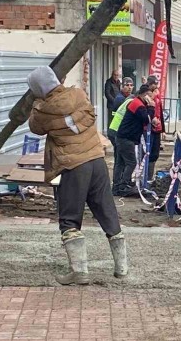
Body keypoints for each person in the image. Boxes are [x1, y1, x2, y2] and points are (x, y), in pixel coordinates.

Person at [27, 66, 126, 284]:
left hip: (72, 166)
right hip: (96, 160)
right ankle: (122, 268)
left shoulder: (43, 110)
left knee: (70, 219)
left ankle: (80, 272)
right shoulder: (79, 94)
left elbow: (35, 128)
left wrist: (35, 104)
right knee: (107, 211)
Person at [114, 84, 155, 196]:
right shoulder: (138, 105)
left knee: (120, 163)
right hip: (126, 138)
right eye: (150, 96)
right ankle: (123, 185)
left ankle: (117, 186)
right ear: (145, 95)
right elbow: (147, 119)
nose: (151, 99)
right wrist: (151, 107)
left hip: (122, 136)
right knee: (131, 162)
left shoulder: (137, 103)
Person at [145, 76, 165, 181]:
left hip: (157, 127)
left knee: (155, 153)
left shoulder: (157, 96)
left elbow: (160, 111)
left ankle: (149, 177)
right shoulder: (148, 94)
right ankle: (146, 177)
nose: (156, 86)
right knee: (147, 153)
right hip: (149, 128)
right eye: (155, 84)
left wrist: (163, 130)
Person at [108, 77, 134, 149]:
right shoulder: (120, 99)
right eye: (127, 85)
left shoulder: (127, 98)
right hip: (116, 131)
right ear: (122, 86)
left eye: (131, 85)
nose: (129, 87)